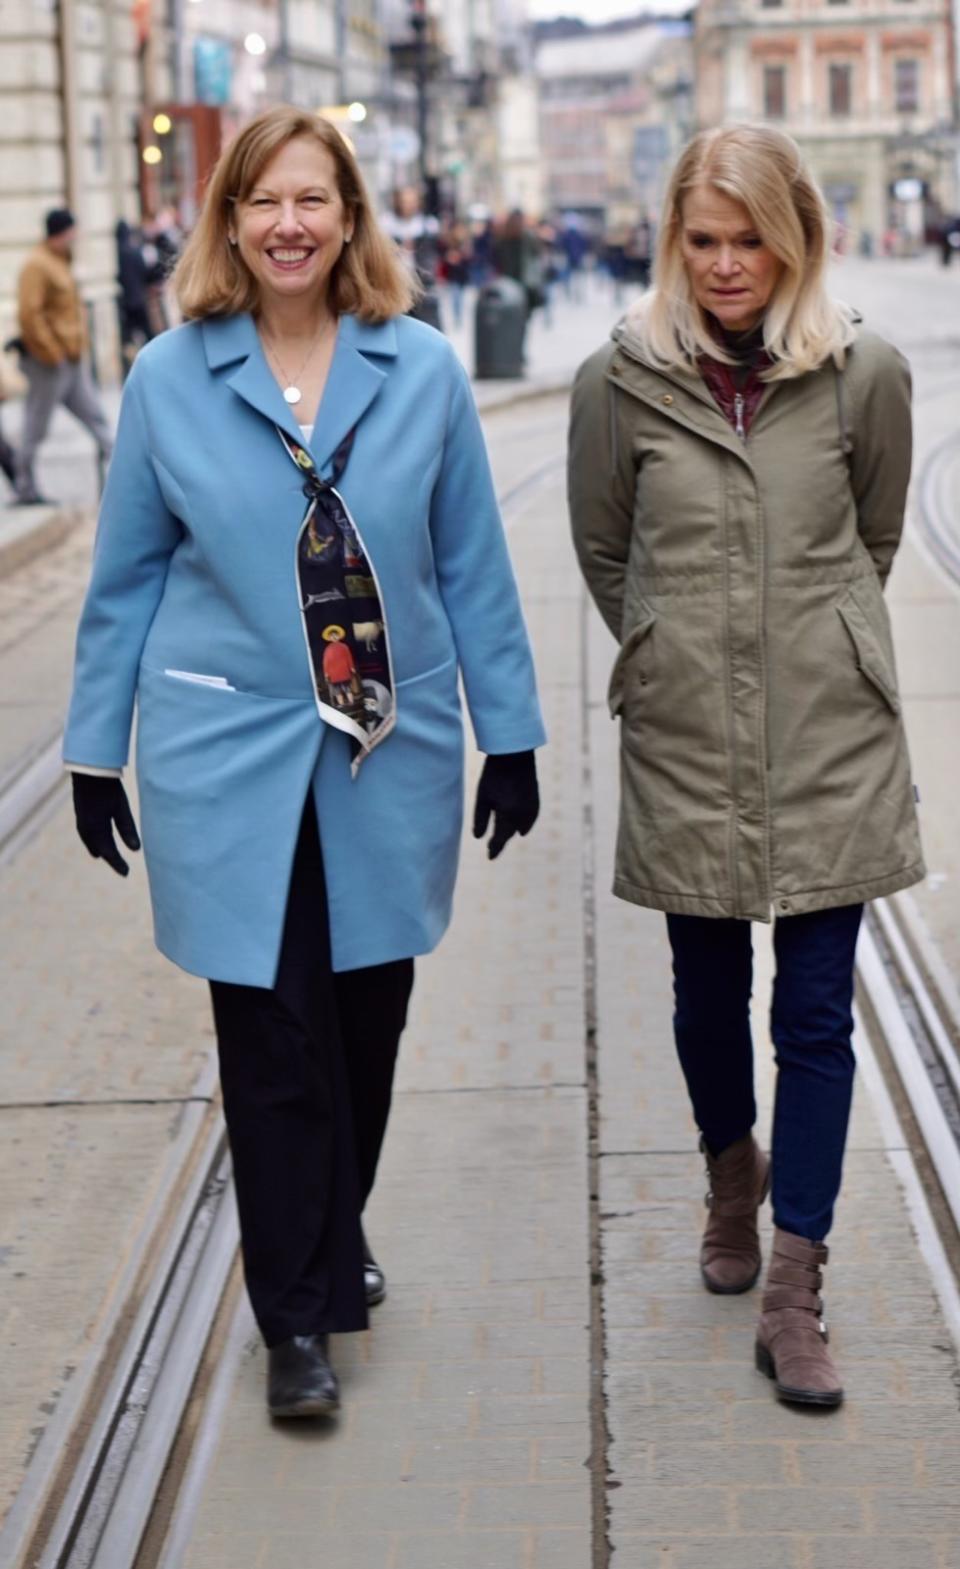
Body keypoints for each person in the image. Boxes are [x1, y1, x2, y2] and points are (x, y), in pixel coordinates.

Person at [64, 106, 545, 1420]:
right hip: (226, 751)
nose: (288, 224)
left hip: (385, 756)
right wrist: (94, 750)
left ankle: (335, 1223)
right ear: (229, 221)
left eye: (312, 201)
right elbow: (124, 582)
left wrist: (513, 735)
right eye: (262, 201)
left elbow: (470, 567)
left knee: (368, 1023)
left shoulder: (421, 368)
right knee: (272, 1033)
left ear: (348, 220)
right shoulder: (173, 375)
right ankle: (296, 1316)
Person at [568, 124, 923, 1410]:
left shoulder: (864, 372)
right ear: (676, 241)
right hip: (687, 737)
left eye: (750, 238)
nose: (727, 265)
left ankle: (794, 1289)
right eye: (703, 240)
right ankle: (732, 1171)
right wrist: (679, 653)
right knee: (706, 993)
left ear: (797, 238)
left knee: (817, 1013)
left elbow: (873, 540)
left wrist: (804, 647)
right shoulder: (618, 382)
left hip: (832, 734)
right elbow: (608, 555)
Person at [13, 208, 114, 505]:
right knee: (36, 425)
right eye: (71, 232)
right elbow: (29, 314)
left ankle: (122, 476)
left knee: (96, 418)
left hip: (71, 359)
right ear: (59, 234)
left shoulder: (60, 262)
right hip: (49, 363)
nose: (75, 238)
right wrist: (52, 352)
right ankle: (24, 484)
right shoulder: (37, 265)